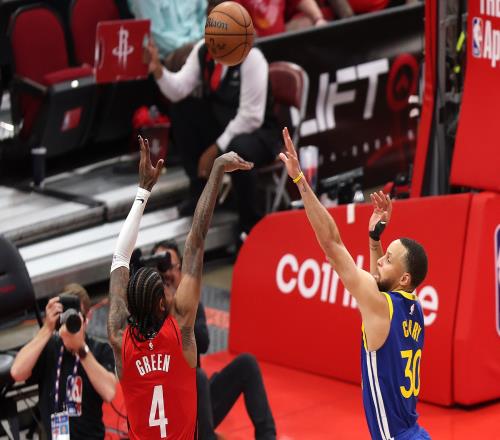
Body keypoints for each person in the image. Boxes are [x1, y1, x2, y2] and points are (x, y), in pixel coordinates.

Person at [279, 127, 431, 439]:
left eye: (388, 258)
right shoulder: (414, 308)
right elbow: (380, 284)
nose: (380, 260)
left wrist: (300, 181)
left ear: (404, 278)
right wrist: (375, 240)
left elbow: (332, 245)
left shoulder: (380, 306)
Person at [107, 135, 252, 439]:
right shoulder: (181, 329)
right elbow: (196, 241)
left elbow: (120, 257)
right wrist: (216, 170)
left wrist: (142, 192)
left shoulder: (119, 338)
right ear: (162, 304)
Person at [147, 0, 282, 236]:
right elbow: (178, 89)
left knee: (238, 147)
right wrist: (158, 70)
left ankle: (249, 224)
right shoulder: (203, 50)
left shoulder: (252, 57)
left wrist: (215, 150)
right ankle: (200, 191)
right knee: (183, 109)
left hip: (259, 133)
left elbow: (251, 117)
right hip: (224, 124)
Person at [152, 240, 276, 440]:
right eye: (160, 267)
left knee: (246, 364)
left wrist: (177, 309)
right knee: (198, 378)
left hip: (196, 403)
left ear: (180, 270)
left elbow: (203, 342)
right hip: (162, 412)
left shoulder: (190, 304)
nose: (166, 273)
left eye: (170, 266)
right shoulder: (147, 310)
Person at [10, 284, 117, 439]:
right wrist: (47, 327)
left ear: (86, 318)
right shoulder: (49, 347)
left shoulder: (99, 349)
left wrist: (81, 349)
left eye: (76, 315)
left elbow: (109, 392)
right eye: (66, 316)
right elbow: (17, 372)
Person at [128, 0, 207, 71]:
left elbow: (204, 15)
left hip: (200, 41)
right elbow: (155, 35)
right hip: (169, 54)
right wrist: (193, 45)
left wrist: (200, 41)